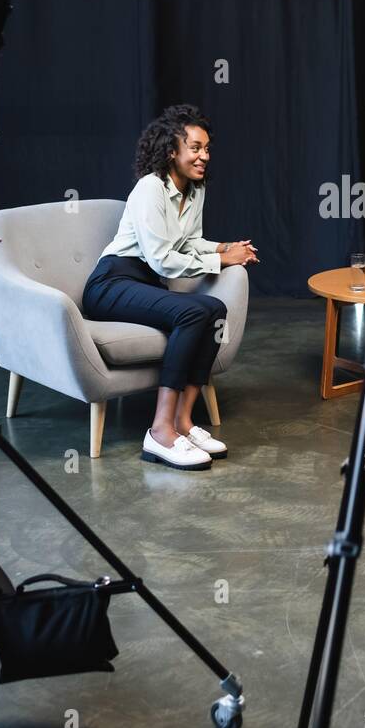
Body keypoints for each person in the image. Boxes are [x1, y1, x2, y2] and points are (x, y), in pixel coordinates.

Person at [82, 104, 258, 470]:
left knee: (215, 311)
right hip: (111, 283)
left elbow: (189, 242)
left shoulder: (196, 190)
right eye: (195, 147)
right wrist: (221, 259)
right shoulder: (150, 189)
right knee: (194, 310)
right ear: (171, 151)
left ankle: (183, 421)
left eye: (207, 148)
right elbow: (163, 258)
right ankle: (159, 431)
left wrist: (226, 248)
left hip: (144, 284)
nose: (204, 156)